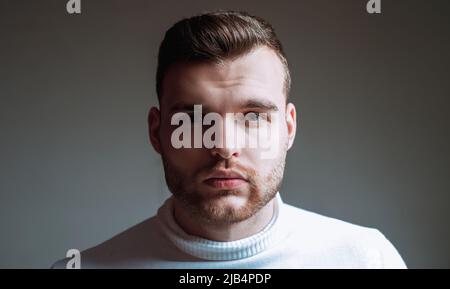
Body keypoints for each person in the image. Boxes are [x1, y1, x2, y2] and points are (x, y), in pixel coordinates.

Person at [53, 10, 406, 269]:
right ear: (156, 132)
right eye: (193, 119)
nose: (223, 145)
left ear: (288, 128)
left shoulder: (368, 260)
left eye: (253, 118)